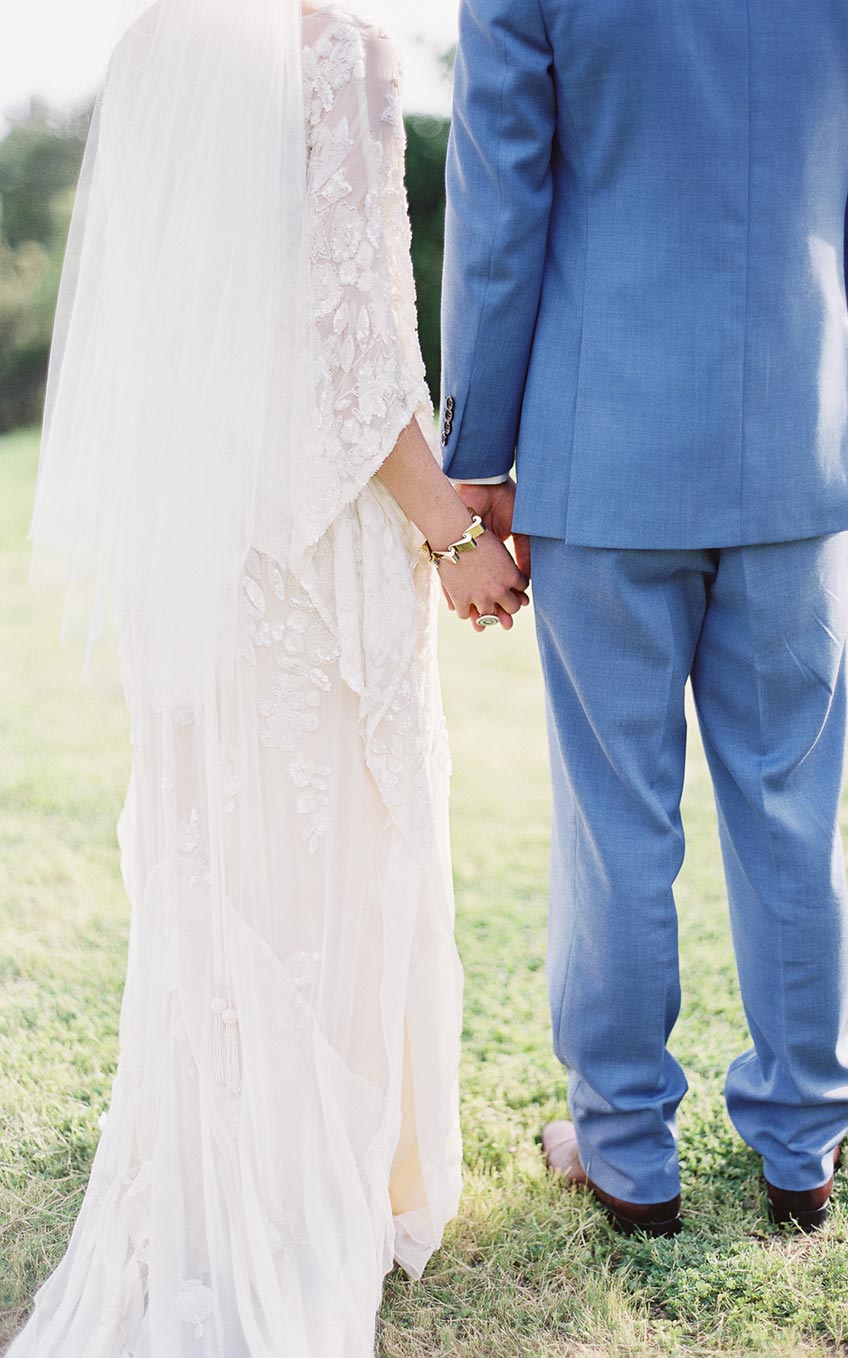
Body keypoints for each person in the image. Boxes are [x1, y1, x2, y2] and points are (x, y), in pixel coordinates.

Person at [8, 3, 527, 1354]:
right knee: (336, 852)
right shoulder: (337, 50)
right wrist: (456, 532)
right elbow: (352, 357)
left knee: (222, 851)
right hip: (317, 539)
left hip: (201, 534)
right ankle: (314, 1191)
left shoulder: (148, 49)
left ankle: (231, 1157)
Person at [441, 0, 848, 1234]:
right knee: (788, 807)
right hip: (796, 449)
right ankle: (799, 1146)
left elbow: (502, 206)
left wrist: (480, 451)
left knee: (615, 817)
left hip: (601, 453)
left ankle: (623, 1150)